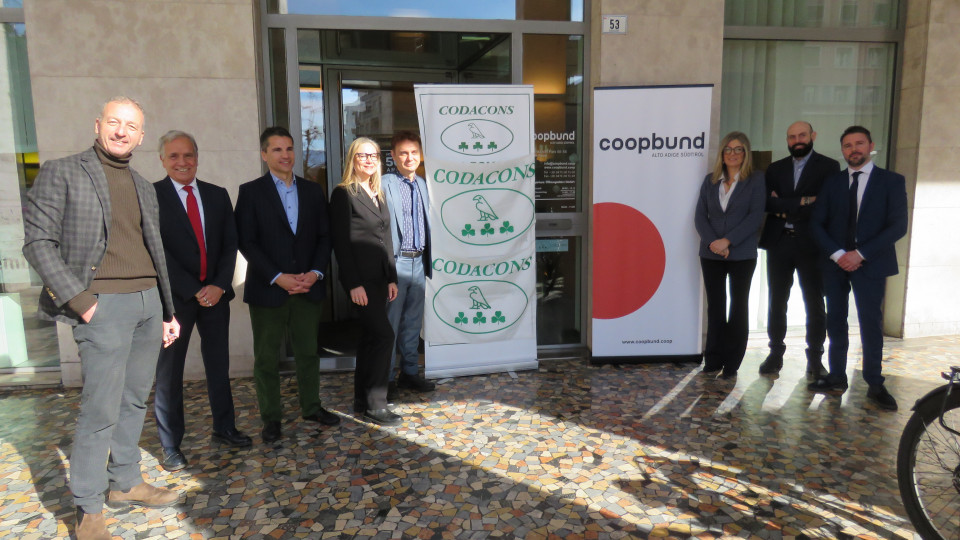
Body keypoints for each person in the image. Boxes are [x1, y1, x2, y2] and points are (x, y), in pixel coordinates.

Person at [22, 97, 181, 540]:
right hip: (102, 306)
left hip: (148, 304)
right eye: (114, 121)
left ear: (141, 136)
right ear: (98, 124)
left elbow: (154, 251)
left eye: (131, 125)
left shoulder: (143, 185)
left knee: (134, 400)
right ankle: (89, 508)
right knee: (100, 409)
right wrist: (80, 300)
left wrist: (167, 311)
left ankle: (125, 482)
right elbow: (37, 242)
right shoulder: (62, 172)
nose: (121, 131)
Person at [153, 130, 252, 472]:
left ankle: (225, 427)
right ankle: (170, 444)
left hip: (216, 297)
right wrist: (194, 288)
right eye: (174, 156)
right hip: (176, 300)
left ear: (197, 158)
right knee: (169, 372)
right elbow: (157, 250)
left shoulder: (216, 194)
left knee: (218, 365)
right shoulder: (151, 196)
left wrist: (220, 285)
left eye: (188, 155)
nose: (182, 162)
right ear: (162, 160)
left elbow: (230, 244)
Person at [235, 126, 339, 443]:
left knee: (308, 353)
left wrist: (315, 273)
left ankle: (311, 407)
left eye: (289, 148)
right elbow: (246, 241)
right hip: (268, 289)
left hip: (308, 287)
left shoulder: (312, 191)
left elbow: (325, 236)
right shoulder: (251, 192)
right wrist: (277, 277)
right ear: (264, 154)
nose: (285, 155)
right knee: (267, 358)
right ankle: (271, 418)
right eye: (277, 149)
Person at [809, 126, 908, 410]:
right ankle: (836, 376)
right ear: (842, 150)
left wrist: (860, 254)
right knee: (835, 321)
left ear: (870, 145)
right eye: (848, 145)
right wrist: (839, 254)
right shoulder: (832, 183)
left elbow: (898, 226)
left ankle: (875, 383)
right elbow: (817, 223)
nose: (854, 149)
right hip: (835, 264)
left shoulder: (891, 181)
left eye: (859, 143)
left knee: (870, 324)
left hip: (871, 264)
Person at [757, 121, 840, 378]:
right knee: (776, 301)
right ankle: (775, 353)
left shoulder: (829, 167)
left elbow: (824, 205)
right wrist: (804, 201)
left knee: (814, 302)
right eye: (791, 137)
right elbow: (767, 203)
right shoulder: (775, 168)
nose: (797, 140)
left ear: (813, 135)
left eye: (802, 135)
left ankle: (815, 357)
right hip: (779, 242)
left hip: (812, 245)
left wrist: (785, 205)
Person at [330, 137, 402, 426]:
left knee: (370, 338)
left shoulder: (377, 192)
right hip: (360, 281)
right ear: (353, 159)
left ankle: (362, 400)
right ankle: (376, 404)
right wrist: (353, 284)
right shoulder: (343, 194)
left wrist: (392, 277)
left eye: (373, 155)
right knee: (384, 336)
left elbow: (386, 239)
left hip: (380, 280)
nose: (369, 160)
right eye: (363, 155)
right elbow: (341, 244)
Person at [694, 131, 766, 379]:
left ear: (745, 153)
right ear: (722, 153)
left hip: (742, 254)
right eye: (728, 149)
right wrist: (713, 243)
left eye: (738, 149)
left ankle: (732, 363)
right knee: (716, 306)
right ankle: (713, 360)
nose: (732, 154)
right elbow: (700, 216)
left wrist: (727, 241)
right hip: (711, 253)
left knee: (738, 306)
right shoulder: (711, 180)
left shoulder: (756, 180)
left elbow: (755, 216)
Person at [382, 131, 435, 397]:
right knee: (390, 325)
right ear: (393, 156)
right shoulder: (384, 184)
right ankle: (387, 379)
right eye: (403, 153)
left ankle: (410, 374)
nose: (409, 158)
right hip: (397, 263)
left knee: (413, 323)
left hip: (419, 262)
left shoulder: (423, 184)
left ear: (420, 155)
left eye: (414, 152)